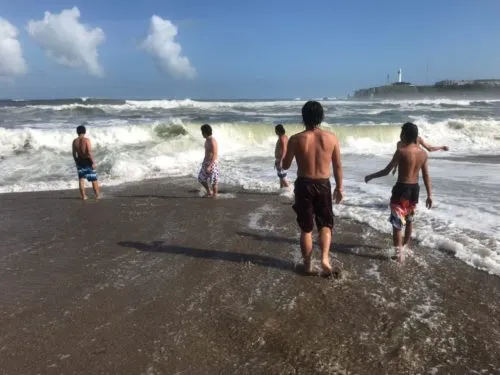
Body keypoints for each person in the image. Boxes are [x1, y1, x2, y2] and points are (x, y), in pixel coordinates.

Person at [282, 101, 344, 276]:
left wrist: (284, 154)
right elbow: (338, 166)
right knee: (325, 225)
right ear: (321, 117)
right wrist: (339, 188)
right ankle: (325, 258)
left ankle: (308, 265)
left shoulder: (296, 139)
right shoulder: (331, 138)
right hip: (323, 184)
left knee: (306, 228)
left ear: (303, 117)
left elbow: (285, 166)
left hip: (304, 185)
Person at [365, 122, 432, 262]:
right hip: (414, 190)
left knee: (397, 223)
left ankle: (398, 254)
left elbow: (386, 171)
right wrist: (430, 195)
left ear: (404, 135)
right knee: (409, 219)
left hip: (401, 189)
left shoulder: (401, 151)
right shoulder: (423, 154)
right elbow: (426, 175)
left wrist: (371, 176)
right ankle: (405, 246)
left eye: (401, 133)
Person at [72, 125, 100, 200]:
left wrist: (76, 162)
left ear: (77, 132)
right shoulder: (86, 140)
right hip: (87, 160)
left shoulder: (75, 141)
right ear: (84, 131)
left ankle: (84, 196)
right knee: (93, 179)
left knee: (81, 179)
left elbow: (74, 154)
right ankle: (97, 195)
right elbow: (89, 152)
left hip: (80, 160)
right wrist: (93, 162)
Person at [198, 124, 219, 197]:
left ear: (205, 133)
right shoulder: (207, 140)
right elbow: (207, 153)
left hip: (212, 164)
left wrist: (210, 166)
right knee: (201, 178)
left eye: (202, 132)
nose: (201, 134)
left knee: (213, 182)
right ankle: (209, 191)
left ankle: (215, 196)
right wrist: (204, 162)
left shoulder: (212, 142)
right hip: (206, 163)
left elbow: (215, 154)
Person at [274, 124, 290, 188]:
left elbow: (284, 150)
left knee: (282, 176)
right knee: (281, 176)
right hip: (282, 158)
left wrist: (280, 161)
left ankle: (289, 190)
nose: (275, 132)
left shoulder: (281, 138)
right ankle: (281, 189)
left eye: (275, 130)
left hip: (281, 159)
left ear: (278, 130)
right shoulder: (285, 137)